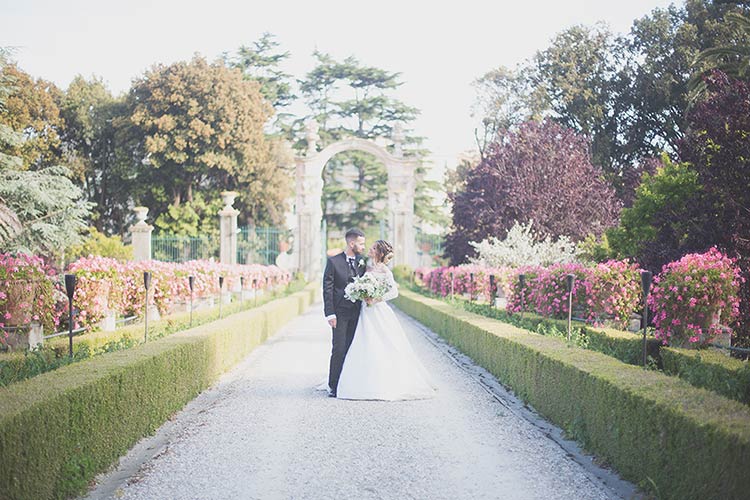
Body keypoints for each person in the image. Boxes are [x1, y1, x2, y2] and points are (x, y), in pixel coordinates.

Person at [336, 240, 435, 401]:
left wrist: (376, 299)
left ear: (380, 253)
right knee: (365, 342)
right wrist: (360, 293)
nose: (370, 248)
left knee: (384, 342)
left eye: (374, 248)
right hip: (365, 312)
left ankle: (385, 381)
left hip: (378, 311)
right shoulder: (367, 267)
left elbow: (394, 292)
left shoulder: (385, 271)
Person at [322, 228, 366, 398]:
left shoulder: (363, 261)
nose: (363, 246)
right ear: (351, 243)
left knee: (352, 348)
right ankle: (333, 385)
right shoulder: (333, 262)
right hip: (339, 313)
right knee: (339, 348)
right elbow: (327, 289)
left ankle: (348, 383)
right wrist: (330, 314)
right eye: (361, 243)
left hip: (357, 313)